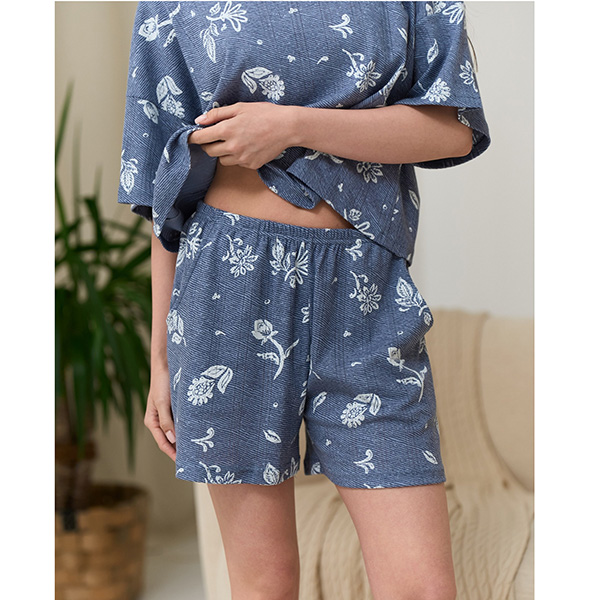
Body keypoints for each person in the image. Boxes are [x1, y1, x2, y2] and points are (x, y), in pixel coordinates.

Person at [118, 2, 491, 599]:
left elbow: (453, 127)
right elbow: (161, 184)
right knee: (263, 585)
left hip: (366, 293)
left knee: (421, 587)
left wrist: (291, 126)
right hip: (226, 289)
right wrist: (159, 359)